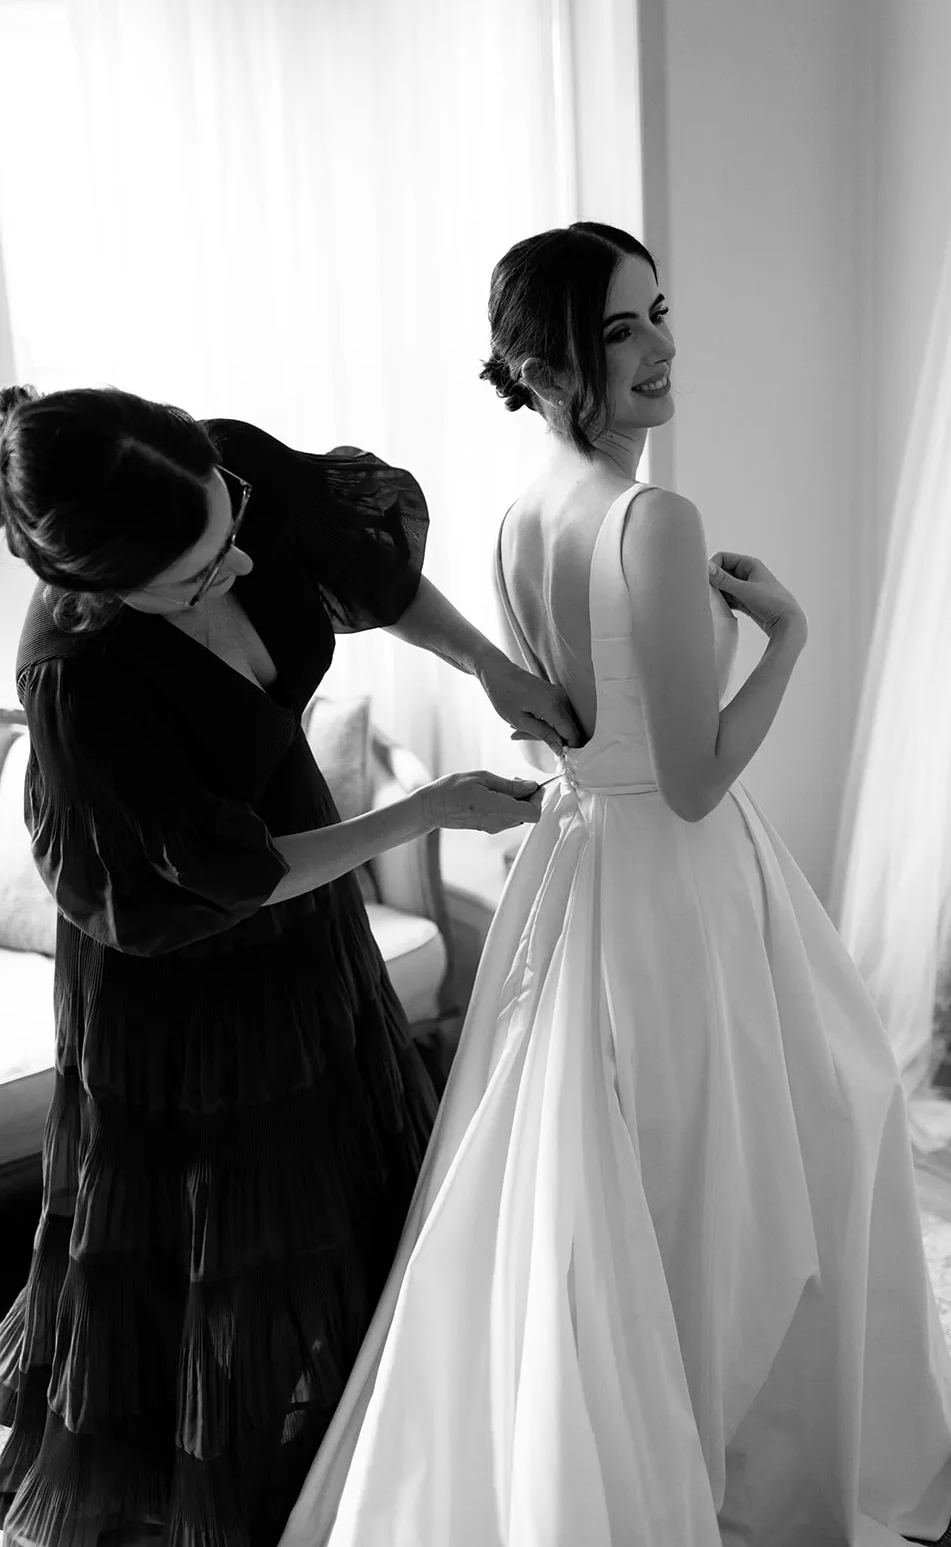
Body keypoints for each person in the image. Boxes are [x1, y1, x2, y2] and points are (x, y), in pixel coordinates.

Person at [278, 223, 951, 1547]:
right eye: (618, 331)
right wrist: (789, 636)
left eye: (661, 314)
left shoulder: (521, 516)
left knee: (633, 1176)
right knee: (778, 1148)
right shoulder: (653, 518)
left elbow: (571, 732)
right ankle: (734, 1459)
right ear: (542, 368)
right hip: (676, 871)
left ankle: (629, 1433)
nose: (660, 348)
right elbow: (697, 777)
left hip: (582, 861)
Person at [0, 385, 581, 1546]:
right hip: (184, 971)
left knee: (355, 1180)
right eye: (194, 576)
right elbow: (231, 873)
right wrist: (427, 809)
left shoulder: (218, 476)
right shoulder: (84, 681)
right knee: (225, 1244)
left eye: (231, 531)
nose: (233, 565)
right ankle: (235, 1495)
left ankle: (375, 1446)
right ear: (101, 587)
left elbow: (364, 572)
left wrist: (484, 665)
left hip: (306, 907)